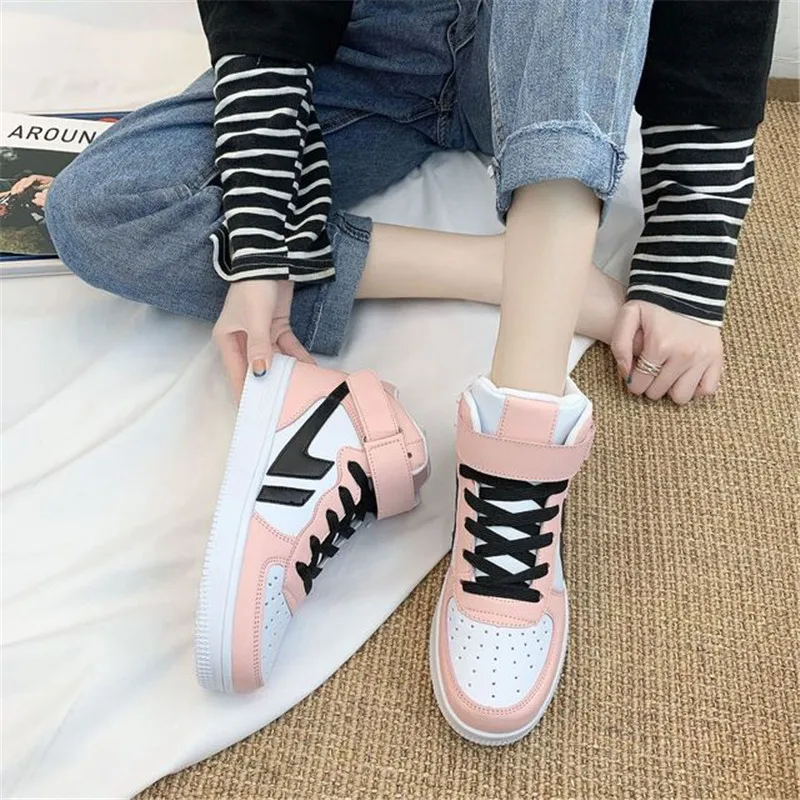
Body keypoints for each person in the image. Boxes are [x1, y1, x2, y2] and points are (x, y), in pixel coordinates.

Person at [46, 0, 777, 745]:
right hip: (367, 49)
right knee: (100, 209)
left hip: (544, 55)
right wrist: (260, 242)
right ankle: (520, 271)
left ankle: (518, 454)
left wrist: (688, 261)